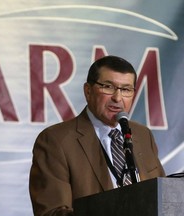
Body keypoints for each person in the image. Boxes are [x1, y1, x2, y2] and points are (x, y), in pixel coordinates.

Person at [29, 55, 166, 216]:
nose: (117, 98)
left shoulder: (142, 135)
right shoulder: (55, 140)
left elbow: (163, 198)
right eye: (108, 87)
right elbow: (51, 212)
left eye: (126, 89)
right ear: (88, 91)